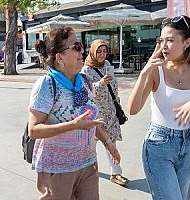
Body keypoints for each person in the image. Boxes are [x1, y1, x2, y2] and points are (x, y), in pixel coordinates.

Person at [128, 15, 190, 200]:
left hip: (187, 145)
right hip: (158, 146)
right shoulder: (157, 70)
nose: (163, 46)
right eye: (161, 40)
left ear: (187, 42)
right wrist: (144, 73)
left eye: (170, 40)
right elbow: (133, 109)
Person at [28, 27, 121, 200]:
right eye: (76, 46)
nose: (82, 50)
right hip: (58, 168)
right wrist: (72, 126)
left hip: (88, 164)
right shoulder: (47, 85)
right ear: (60, 57)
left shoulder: (84, 81)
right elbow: (34, 130)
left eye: (81, 45)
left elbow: (91, 120)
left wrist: (108, 142)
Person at [81, 39, 129, 186]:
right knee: (89, 146)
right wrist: (100, 84)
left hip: (110, 112)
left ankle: (116, 173)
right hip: (95, 114)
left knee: (111, 143)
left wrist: (116, 104)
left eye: (104, 51)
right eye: (99, 51)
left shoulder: (108, 65)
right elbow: (86, 92)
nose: (102, 54)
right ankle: (85, 172)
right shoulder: (86, 71)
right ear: (93, 52)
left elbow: (114, 87)